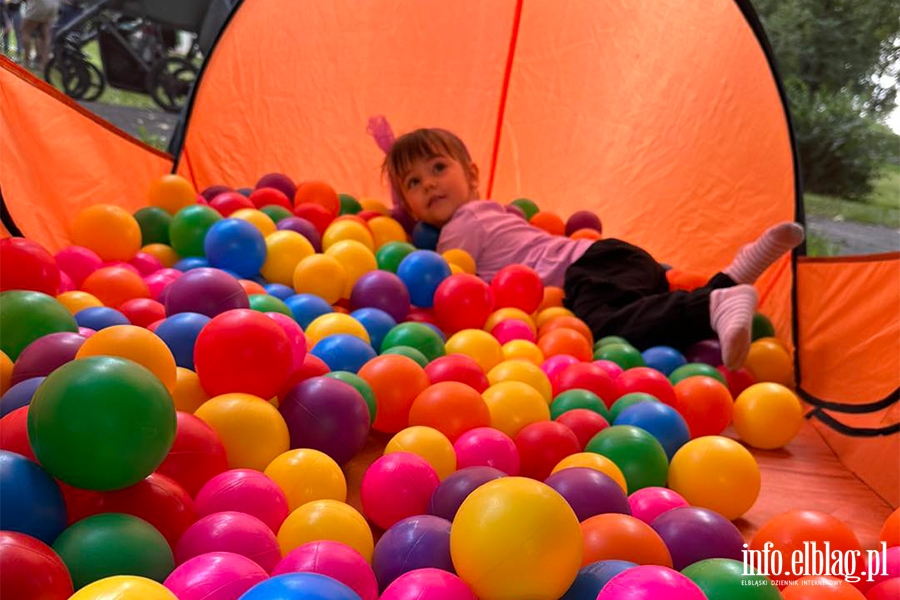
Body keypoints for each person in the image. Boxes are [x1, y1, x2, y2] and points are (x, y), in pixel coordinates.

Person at [372, 122, 804, 370]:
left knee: (606, 325)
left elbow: (454, 288)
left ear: (471, 173)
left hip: (588, 270)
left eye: (437, 167)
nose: (428, 182)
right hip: (618, 260)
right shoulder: (499, 212)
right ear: (408, 203)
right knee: (650, 312)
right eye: (412, 182)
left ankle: (714, 305)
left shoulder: (460, 227)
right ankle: (734, 276)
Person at [20, 0, 59, 70]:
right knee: (46, 36)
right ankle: (43, 64)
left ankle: (26, 62)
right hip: (53, 4)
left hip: (39, 4)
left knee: (25, 32)